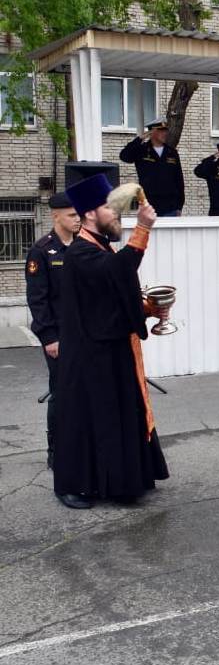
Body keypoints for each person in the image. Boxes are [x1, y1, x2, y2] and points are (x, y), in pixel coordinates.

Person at [52, 174, 170, 509]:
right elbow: (116, 271)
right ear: (90, 214)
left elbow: (114, 294)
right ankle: (72, 485)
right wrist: (144, 229)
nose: (116, 214)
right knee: (87, 420)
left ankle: (124, 482)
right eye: (109, 207)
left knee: (119, 415)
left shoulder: (102, 247)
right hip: (89, 354)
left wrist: (147, 308)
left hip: (113, 347)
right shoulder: (79, 253)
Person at [25, 192, 80, 469]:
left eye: (78, 214)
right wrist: (49, 338)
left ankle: (81, 447)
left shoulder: (82, 246)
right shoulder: (42, 250)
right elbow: (37, 300)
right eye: (71, 215)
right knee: (60, 393)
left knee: (83, 392)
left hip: (84, 335)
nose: (77, 219)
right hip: (58, 337)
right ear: (55, 215)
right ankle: (56, 451)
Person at [118, 116, 184, 217]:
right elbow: (124, 156)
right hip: (149, 205)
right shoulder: (142, 150)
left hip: (170, 207)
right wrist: (140, 139)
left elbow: (179, 180)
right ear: (152, 132)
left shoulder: (171, 152)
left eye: (166, 130)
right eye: (161, 130)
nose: (165, 133)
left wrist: (179, 206)